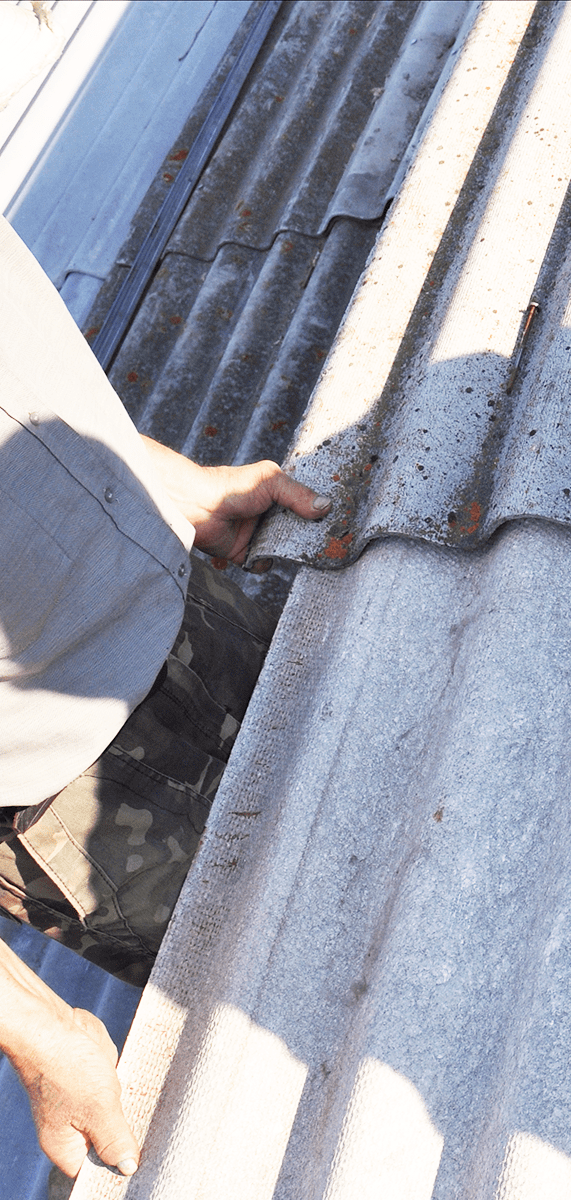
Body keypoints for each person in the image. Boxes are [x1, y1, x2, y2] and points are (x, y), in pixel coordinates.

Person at [0, 214, 332, 1180]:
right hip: (71, 794)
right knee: (355, 1003)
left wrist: (149, 475)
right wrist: (39, 1032)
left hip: (188, 604)